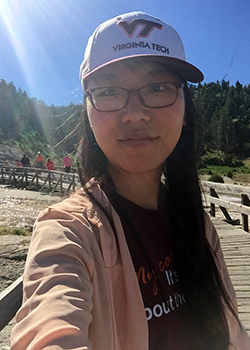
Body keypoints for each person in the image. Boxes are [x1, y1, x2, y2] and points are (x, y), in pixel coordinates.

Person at [11, 11, 250, 350]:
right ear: (88, 112)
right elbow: (51, 325)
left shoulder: (197, 224)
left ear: (185, 106)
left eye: (157, 87)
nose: (135, 113)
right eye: (109, 91)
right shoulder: (68, 232)